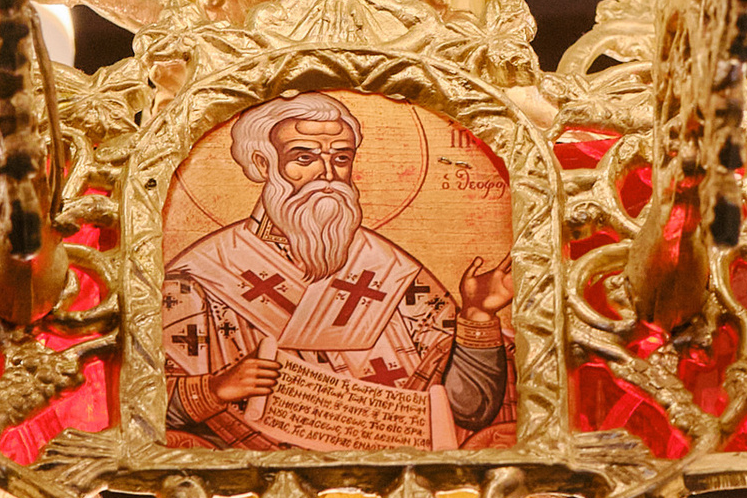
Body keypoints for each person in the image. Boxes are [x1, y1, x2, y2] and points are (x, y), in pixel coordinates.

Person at [163, 94, 514, 455]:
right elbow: (144, 408)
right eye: (304, 158)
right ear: (262, 163)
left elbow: (470, 410)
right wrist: (215, 388)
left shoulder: (391, 270)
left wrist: (477, 316)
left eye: (341, 158)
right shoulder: (200, 278)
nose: (328, 175)